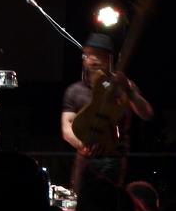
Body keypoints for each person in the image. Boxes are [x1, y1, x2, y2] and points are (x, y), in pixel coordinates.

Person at [61, 32, 153, 189]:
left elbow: (147, 114)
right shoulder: (75, 91)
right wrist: (83, 146)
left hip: (115, 158)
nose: (95, 59)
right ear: (84, 58)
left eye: (100, 55)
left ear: (109, 59)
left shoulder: (122, 87)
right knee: (80, 199)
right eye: (91, 54)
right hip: (84, 158)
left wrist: (130, 92)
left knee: (110, 200)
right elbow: (66, 127)